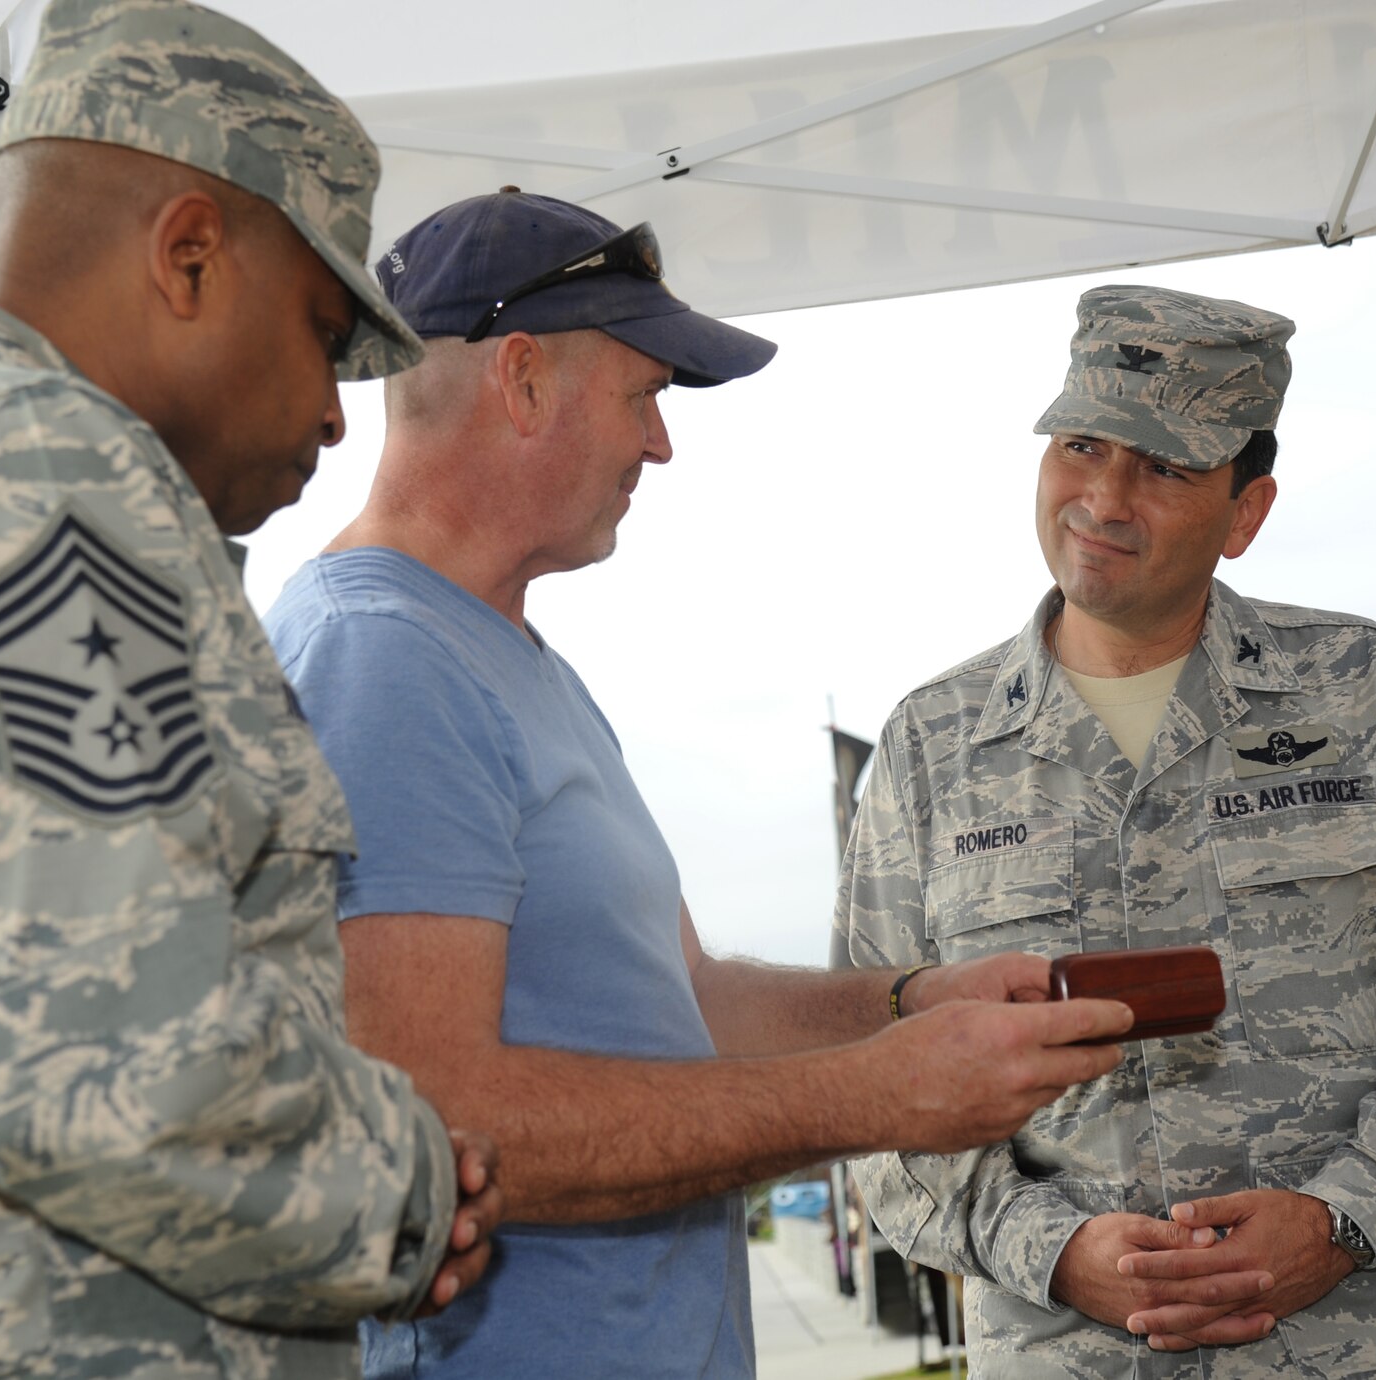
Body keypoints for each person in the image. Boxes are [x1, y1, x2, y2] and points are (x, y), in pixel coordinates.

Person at [0, 3, 502, 1377]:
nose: (327, 412)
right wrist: (408, 1192)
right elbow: (98, 1062)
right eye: (320, 333)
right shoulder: (33, 477)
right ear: (188, 253)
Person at [261, 190, 1137, 1379]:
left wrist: (915, 1003)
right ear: (521, 379)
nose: (659, 444)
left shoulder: (510, 662)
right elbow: (433, 1117)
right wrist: (869, 1099)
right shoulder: (381, 658)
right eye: (644, 395)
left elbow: (690, 1001)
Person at [835, 284, 1376, 1378]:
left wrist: (1341, 1219)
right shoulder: (929, 749)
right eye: (1080, 444)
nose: (1102, 497)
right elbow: (870, 1069)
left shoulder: (1366, 694)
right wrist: (1054, 1250)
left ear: (1245, 510)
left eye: (1163, 467)